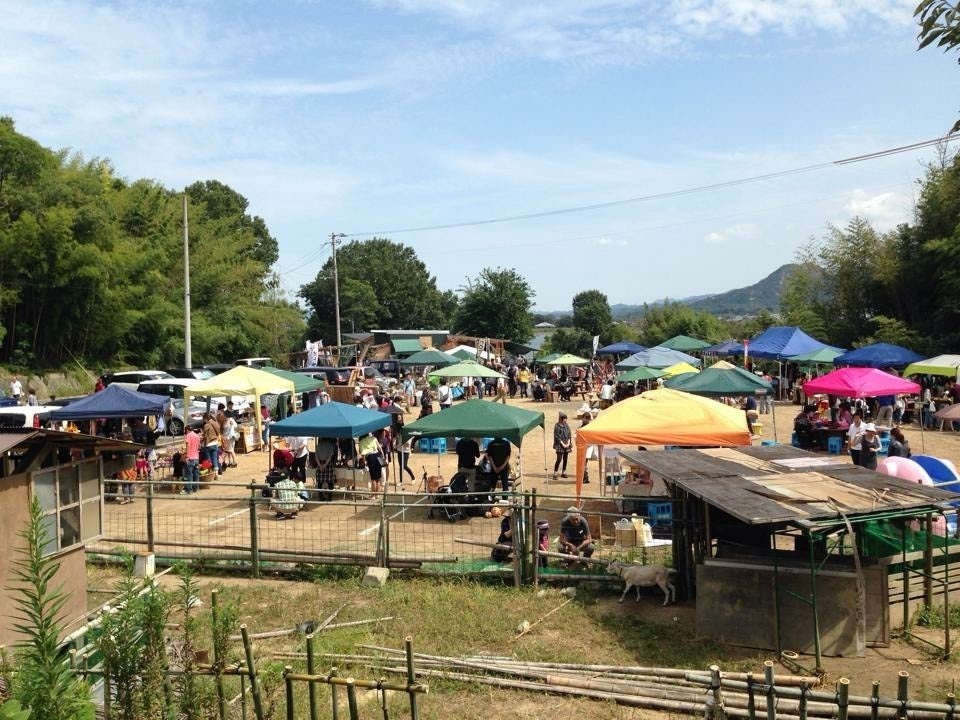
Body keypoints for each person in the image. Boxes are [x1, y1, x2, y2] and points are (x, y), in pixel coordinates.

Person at [552, 412, 572, 480]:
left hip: (566, 444)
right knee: (559, 459)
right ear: (560, 419)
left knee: (565, 459)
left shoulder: (567, 425)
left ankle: (564, 472)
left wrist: (568, 443)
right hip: (560, 445)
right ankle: (555, 473)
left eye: (565, 418)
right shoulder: (557, 426)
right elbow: (556, 436)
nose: (565, 420)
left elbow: (569, 434)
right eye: (563, 418)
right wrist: (562, 444)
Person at [201, 412, 222, 476]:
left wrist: (202, 437)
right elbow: (218, 432)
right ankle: (216, 474)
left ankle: (210, 474)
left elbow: (204, 435)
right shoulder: (216, 423)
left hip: (208, 444)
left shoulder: (207, 425)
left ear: (205, 418)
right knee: (215, 459)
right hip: (215, 443)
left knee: (208, 460)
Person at [182, 426, 201, 495]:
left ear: (187, 430)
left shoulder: (188, 435)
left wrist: (186, 456)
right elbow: (199, 447)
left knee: (188, 474)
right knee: (196, 474)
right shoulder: (197, 436)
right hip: (196, 458)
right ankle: (195, 488)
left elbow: (188, 446)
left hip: (190, 458)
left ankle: (188, 490)